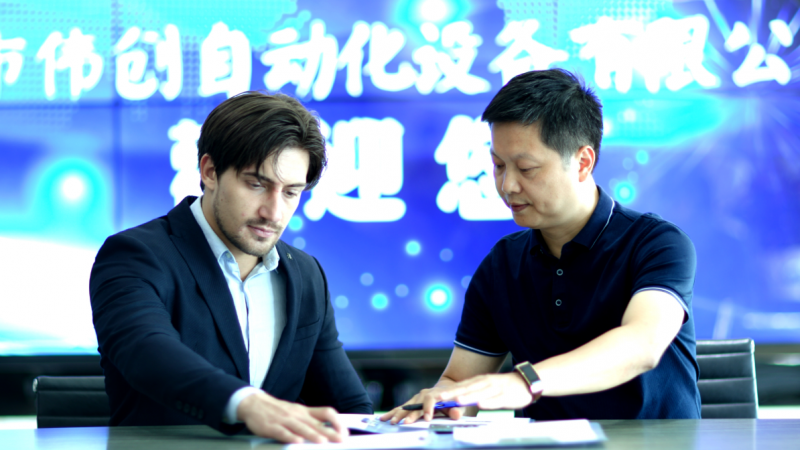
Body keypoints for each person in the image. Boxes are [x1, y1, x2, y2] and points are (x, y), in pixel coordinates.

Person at [382, 68, 701, 423]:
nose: (507, 186)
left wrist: (525, 383)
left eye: (526, 168)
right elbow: (459, 383)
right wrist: (436, 407)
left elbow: (642, 344)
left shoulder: (657, 243)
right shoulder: (503, 264)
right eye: (498, 165)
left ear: (582, 162)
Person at [90, 92, 372, 443]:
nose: (274, 213)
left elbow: (349, 409)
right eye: (257, 184)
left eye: (291, 193)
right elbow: (146, 351)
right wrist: (246, 404)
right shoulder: (135, 254)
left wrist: (413, 421)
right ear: (210, 171)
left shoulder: (305, 274)